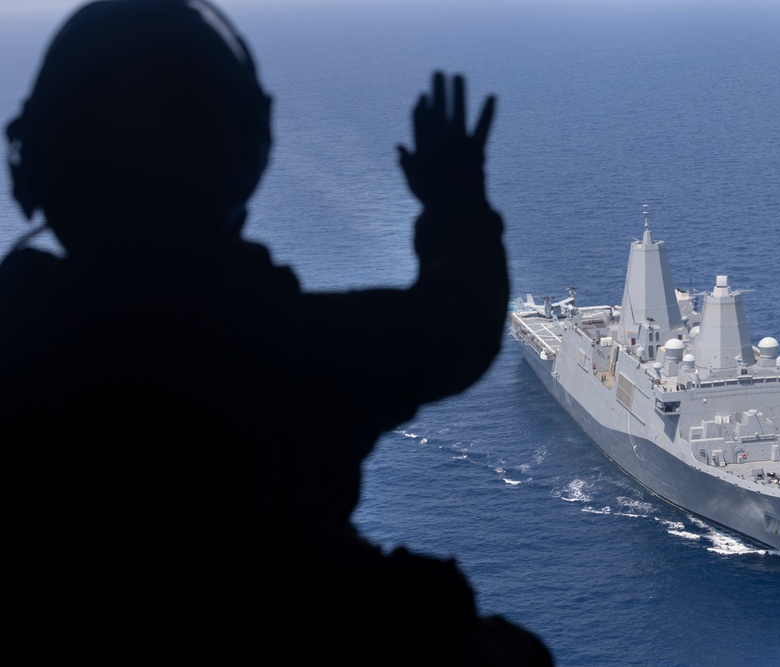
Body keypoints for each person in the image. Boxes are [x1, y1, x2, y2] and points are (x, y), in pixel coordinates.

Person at [0, 1, 550, 663]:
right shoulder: (289, 347)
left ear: (33, 173)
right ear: (248, 156)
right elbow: (463, 319)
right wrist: (456, 199)